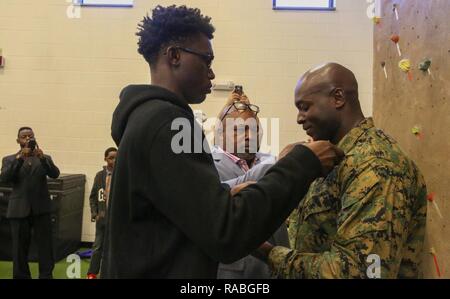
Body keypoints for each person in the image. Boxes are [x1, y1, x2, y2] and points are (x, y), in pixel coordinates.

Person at [101, 5, 343, 279]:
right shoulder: (168, 122)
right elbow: (225, 232)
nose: (212, 74)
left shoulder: (147, 118)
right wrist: (304, 163)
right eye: (206, 60)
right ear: (175, 56)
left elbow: (175, 215)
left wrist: (222, 197)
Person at [253, 63, 427, 279]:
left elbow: (358, 272)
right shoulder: (333, 158)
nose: (299, 118)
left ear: (338, 98)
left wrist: (269, 253)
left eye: (305, 107)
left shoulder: (375, 165)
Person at [212, 91, 289, 279]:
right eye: (238, 129)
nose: (248, 136)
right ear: (221, 135)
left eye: (253, 129)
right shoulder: (210, 165)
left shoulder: (269, 159)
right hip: (237, 272)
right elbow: (218, 196)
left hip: (279, 266)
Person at [0, 127, 60, 279]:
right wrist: (20, 159)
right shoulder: (9, 159)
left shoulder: (44, 157)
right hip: (19, 209)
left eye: (30, 136)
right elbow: (5, 178)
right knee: (19, 248)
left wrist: (43, 159)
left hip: (42, 209)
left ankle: (46, 275)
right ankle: (21, 276)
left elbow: (55, 174)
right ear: (18, 140)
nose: (27, 139)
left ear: (34, 138)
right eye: (24, 136)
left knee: (45, 246)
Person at [87, 147, 117, 279]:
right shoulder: (100, 175)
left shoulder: (122, 175)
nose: (114, 160)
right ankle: (92, 273)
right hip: (102, 219)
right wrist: (95, 213)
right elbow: (93, 196)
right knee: (98, 246)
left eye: (117, 157)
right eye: (111, 158)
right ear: (105, 159)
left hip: (117, 219)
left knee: (116, 248)